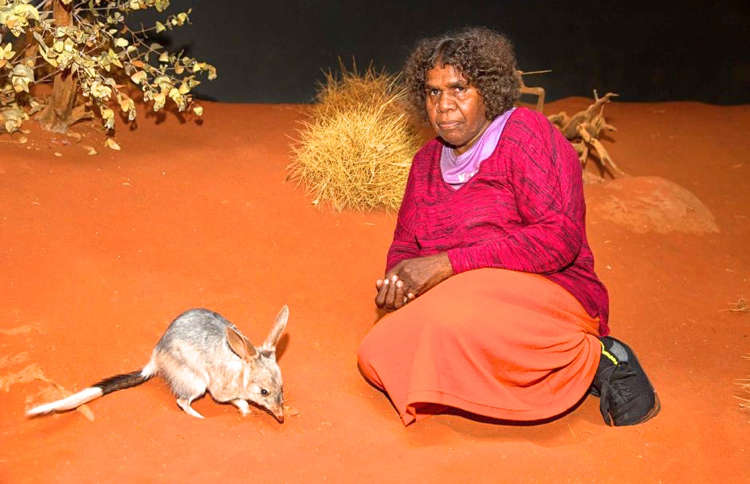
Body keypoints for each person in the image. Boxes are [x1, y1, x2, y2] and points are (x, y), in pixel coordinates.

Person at [357, 27, 660, 427]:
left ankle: (600, 358)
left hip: (550, 296)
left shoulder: (524, 134)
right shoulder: (425, 163)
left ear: (489, 90)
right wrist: (400, 283)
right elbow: (405, 247)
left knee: (456, 312)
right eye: (433, 92)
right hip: (462, 300)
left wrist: (447, 264)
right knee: (378, 351)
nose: (444, 105)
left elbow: (559, 239)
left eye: (459, 89)